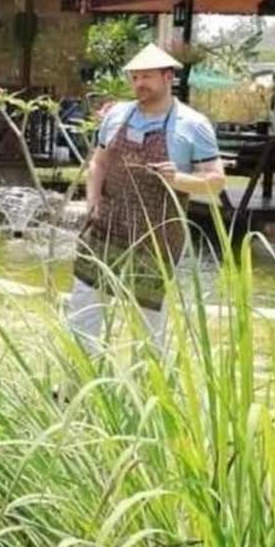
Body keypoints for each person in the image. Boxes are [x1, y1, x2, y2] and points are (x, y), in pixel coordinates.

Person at [69, 43, 226, 351]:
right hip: (106, 227)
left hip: (157, 237)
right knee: (84, 310)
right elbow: (99, 162)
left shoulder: (193, 124)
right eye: (135, 77)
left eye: (146, 77)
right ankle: (74, 388)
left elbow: (216, 182)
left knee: (149, 325)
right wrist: (92, 201)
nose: (139, 84)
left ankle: (145, 393)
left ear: (168, 77)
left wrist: (178, 179)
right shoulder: (116, 115)